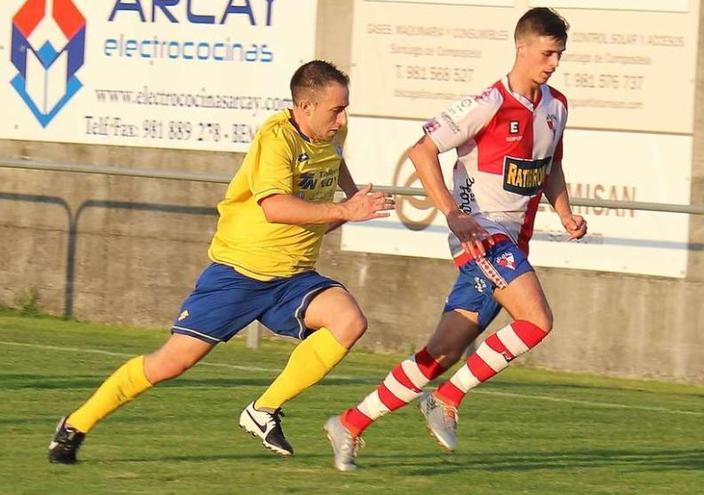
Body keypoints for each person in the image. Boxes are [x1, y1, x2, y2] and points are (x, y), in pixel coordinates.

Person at [48, 60, 395, 464]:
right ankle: (76, 424)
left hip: (292, 276)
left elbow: (333, 159)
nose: (343, 118)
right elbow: (275, 208)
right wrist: (345, 212)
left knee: (349, 321)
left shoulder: (333, 131)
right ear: (305, 107)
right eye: (336, 110)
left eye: (345, 108)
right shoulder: (277, 139)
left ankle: (263, 410)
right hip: (239, 274)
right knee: (170, 363)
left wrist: (353, 196)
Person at [324, 8, 586, 471]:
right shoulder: (486, 103)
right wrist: (454, 215)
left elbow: (551, 168)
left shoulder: (556, 106)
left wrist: (565, 214)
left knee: (441, 351)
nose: (553, 64)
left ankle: (349, 422)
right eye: (547, 53)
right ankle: (446, 399)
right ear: (521, 47)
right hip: (480, 237)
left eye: (559, 55)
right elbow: (421, 150)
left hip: (510, 244)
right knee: (536, 320)